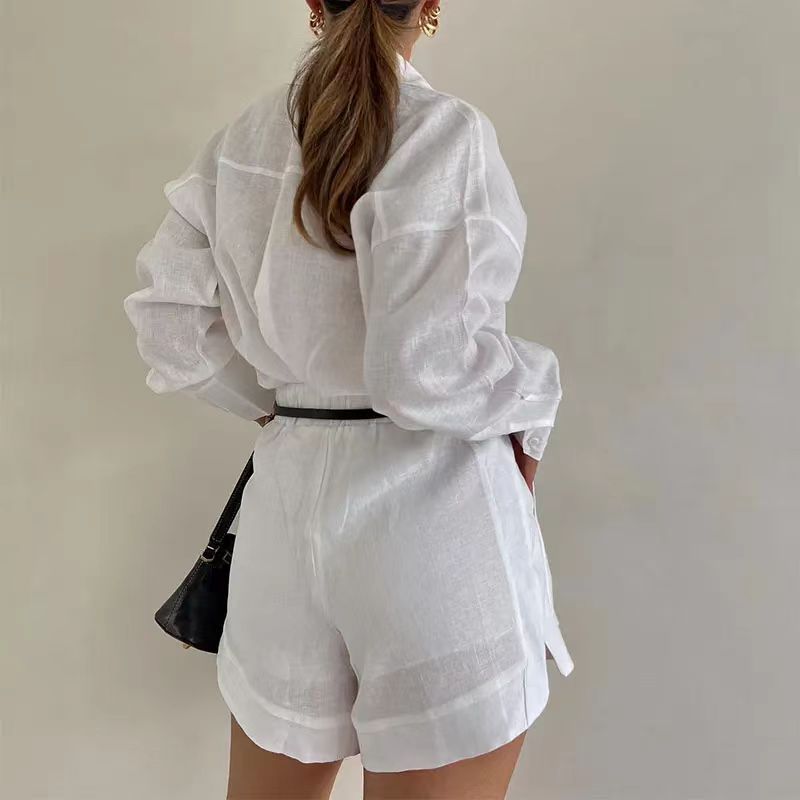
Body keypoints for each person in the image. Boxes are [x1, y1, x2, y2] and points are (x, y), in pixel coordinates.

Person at [124, 1, 573, 797]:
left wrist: (288, 404)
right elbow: (421, 368)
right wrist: (535, 395)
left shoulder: (240, 144)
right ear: (430, 7)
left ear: (313, 6)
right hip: (435, 520)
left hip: (285, 522)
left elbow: (170, 327)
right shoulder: (445, 134)